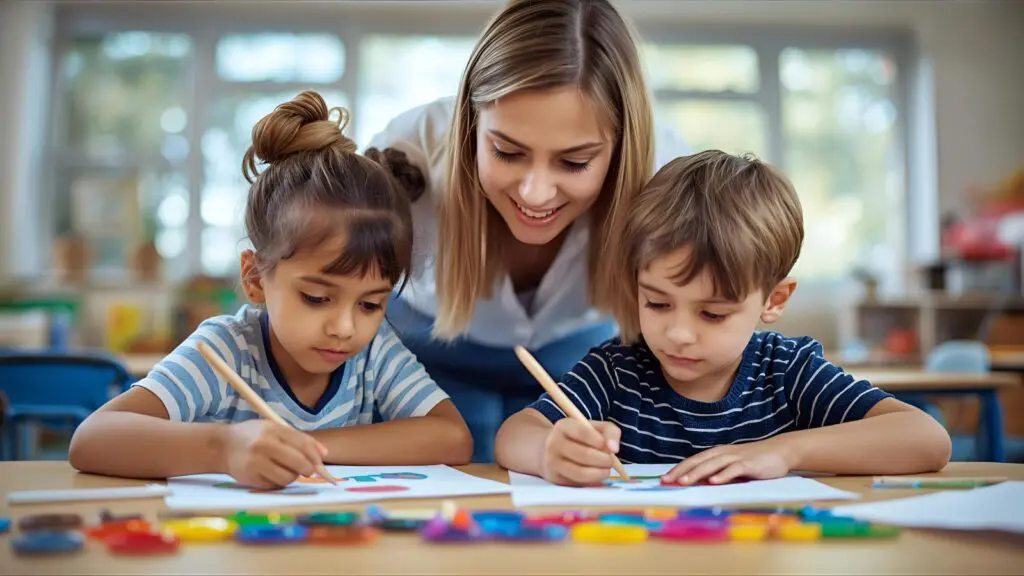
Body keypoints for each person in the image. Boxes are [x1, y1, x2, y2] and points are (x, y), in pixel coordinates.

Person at [70, 90, 473, 488]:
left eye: (370, 304)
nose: (345, 327)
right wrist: (224, 448)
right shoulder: (227, 350)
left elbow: (453, 437)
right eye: (317, 298)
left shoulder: (373, 354)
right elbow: (92, 439)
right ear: (255, 278)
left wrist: (307, 446)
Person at [494, 150, 952, 486]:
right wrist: (550, 450)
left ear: (773, 300)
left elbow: (926, 438)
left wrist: (785, 451)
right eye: (657, 303)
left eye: (712, 313)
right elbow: (514, 434)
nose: (678, 334)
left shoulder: (786, 372)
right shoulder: (617, 370)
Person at [367, 0, 687, 462]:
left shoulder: (666, 172)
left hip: (578, 355)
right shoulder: (407, 150)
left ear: (621, 149)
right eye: (507, 152)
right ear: (471, 123)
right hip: (425, 351)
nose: (536, 195)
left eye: (574, 162)